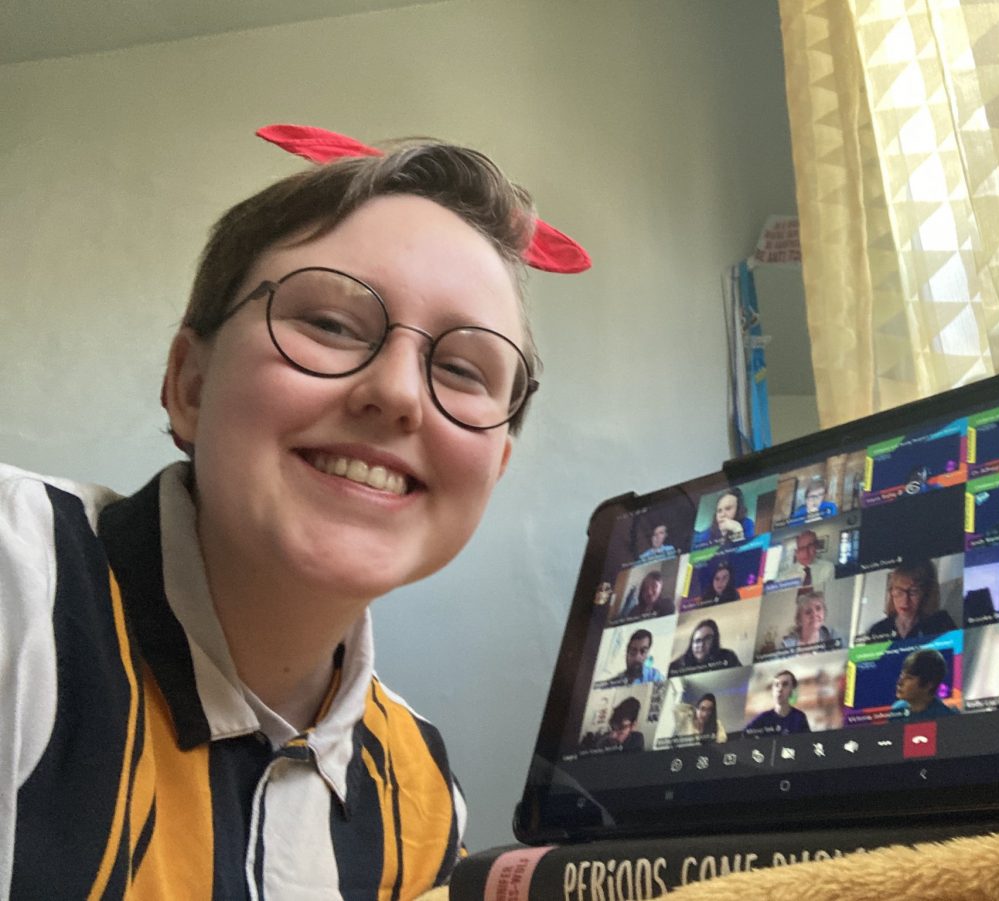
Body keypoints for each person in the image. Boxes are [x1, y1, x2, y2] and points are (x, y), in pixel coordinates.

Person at [0, 126, 589, 898]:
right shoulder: (21, 590)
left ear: (494, 468)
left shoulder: (421, 794)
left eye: (459, 368)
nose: (399, 394)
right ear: (190, 384)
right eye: (331, 325)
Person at [867, 559, 957, 642]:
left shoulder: (941, 623)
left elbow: (957, 653)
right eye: (899, 591)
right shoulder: (877, 630)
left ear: (926, 593)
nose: (905, 601)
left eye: (913, 592)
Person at [891, 649, 959, 720]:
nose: (899, 683)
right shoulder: (897, 710)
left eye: (909, 678)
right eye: (901, 675)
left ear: (928, 685)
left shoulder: (947, 717)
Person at [745, 670, 812, 734]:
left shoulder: (799, 717)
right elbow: (745, 735)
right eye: (776, 685)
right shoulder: (763, 718)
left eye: (785, 684)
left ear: (792, 690)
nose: (779, 689)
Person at [669, 619, 742, 673]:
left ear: (715, 641)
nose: (701, 645)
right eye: (697, 641)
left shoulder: (728, 657)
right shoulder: (676, 666)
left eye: (707, 639)